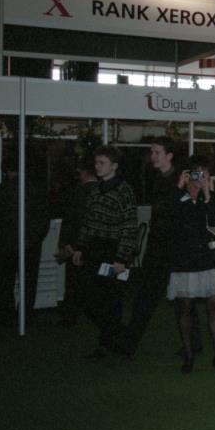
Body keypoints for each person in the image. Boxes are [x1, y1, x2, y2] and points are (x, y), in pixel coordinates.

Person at [166, 156, 215, 374]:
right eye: (196, 173)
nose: (200, 178)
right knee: (185, 307)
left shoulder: (213, 198)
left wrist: (207, 195)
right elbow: (171, 219)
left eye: (204, 174)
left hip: (208, 258)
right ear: (187, 175)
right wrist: (180, 189)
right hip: (184, 259)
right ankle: (188, 354)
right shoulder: (177, 197)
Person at [116, 137, 186, 357]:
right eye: (152, 152)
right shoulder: (157, 177)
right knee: (147, 296)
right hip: (158, 246)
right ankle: (128, 343)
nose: (152, 156)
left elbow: (176, 211)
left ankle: (129, 343)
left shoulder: (180, 179)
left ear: (169, 155)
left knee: (180, 298)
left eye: (157, 152)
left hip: (174, 248)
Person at [72, 146, 138, 357]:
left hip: (112, 251)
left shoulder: (124, 191)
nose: (98, 166)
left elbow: (129, 226)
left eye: (102, 163)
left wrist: (121, 258)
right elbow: (88, 221)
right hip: (94, 249)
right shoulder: (94, 190)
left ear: (114, 166)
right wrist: (80, 247)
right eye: (96, 162)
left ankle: (108, 343)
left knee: (111, 299)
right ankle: (117, 335)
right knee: (89, 299)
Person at [0, 153, 51, 328]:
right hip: (31, 244)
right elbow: (44, 218)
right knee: (29, 282)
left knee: (4, 283)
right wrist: (35, 239)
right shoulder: (38, 189)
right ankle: (25, 315)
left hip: (6, 244)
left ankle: (6, 317)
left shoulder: (1, 190)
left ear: (6, 171)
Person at [56, 158, 97, 327]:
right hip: (96, 244)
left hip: (76, 243)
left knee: (74, 282)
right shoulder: (103, 191)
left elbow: (71, 220)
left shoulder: (79, 192)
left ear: (85, 173)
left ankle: (70, 316)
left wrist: (64, 243)